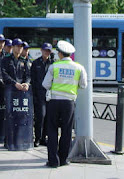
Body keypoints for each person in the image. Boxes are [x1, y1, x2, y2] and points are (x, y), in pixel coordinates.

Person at [42, 40, 87, 168]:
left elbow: (45, 84)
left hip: (54, 102)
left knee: (52, 131)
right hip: (69, 103)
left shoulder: (54, 67)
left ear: (60, 54)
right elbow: (83, 85)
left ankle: (53, 161)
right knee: (67, 131)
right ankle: (63, 159)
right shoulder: (79, 67)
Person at [1, 38, 33, 151]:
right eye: (17, 46)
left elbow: (28, 75)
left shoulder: (24, 61)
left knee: (22, 116)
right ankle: (9, 141)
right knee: (10, 115)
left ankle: (21, 140)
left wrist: (26, 83)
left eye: (21, 47)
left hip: (22, 91)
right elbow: (4, 74)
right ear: (13, 47)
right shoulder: (6, 60)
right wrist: (15, 83)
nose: (19, 49)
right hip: (11, 89)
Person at [31, 42, 54, 147]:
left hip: (50, 94)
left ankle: (44, 138)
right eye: (45, 50)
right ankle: (38, 138)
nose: (46, 52)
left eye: (48, 50)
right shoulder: (36, 63)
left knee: (48, 117)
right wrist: (34, 95)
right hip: (39, 94)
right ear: (41, 50)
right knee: (40, 117)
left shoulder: (54, 63)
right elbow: (33, 80)